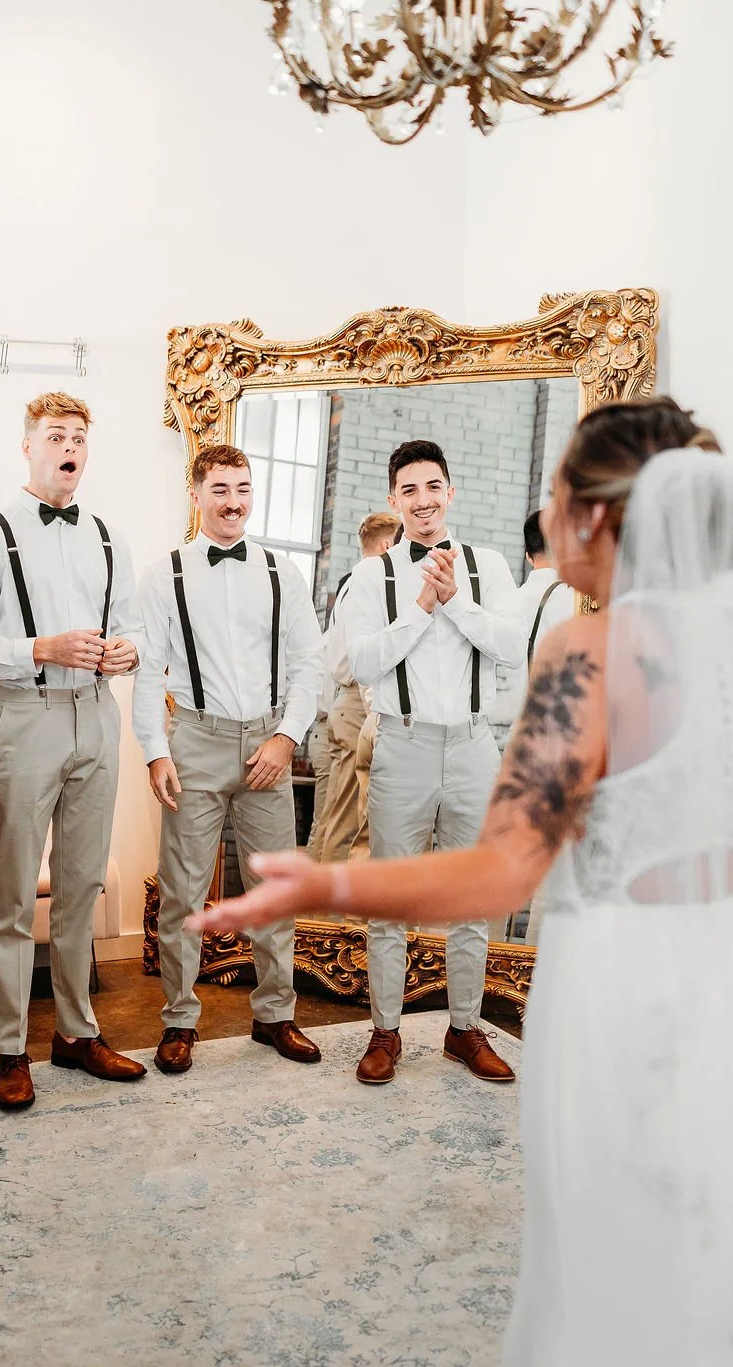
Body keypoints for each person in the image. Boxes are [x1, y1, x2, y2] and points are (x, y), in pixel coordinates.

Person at [196, 399, 733, 1365]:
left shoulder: (588, 652)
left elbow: (503, 867)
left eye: (558, 490)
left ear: (596, 517)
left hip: (630, 990)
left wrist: (328, 886)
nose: (547, 512)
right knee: (728, 1251)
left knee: (618, 1260)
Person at [0, 392, 148, 1110]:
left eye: (79, 436)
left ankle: (75, 1031)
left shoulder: (112, 538)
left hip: (97, 716)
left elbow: (135, 626)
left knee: (82, 884)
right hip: (25, 719)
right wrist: (38, 647)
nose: (70, 446)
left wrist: (127, 649)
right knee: (12, 893)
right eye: (56, 435)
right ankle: (9, 1048)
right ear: (27, 447)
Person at [134, 443, 326, 1073]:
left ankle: (275, 1016)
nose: (234, 501)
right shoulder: (165, 574)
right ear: (197, 495)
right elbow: (145, 673)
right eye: (220, 488)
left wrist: (287, 737)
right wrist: (156, 752)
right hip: (194, 740)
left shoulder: (280, 572)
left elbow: (309, 664)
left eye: (243, 488)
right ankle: (179, 1020)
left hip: (268, 741)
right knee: (184, 893)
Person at [336, 440, 518, 1085]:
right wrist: (420, 608)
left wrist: (456, 602)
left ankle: (463, 1030)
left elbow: (511, 644)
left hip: (473, 746)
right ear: (394, 500)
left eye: (433, 487)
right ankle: (385, 1032)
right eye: (409, 490)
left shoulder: (488, 565)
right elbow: (357, 662)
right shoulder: (369, 576)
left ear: (451, 492)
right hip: (403, 746)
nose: (423, 501)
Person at [501, 509, 579, 943]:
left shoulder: (506, 600)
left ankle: (491, 966)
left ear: (528, 553)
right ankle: (533, 972)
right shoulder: (576, 599)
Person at [309, 512, 400, 863]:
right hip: (357, 703)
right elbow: (366, 659)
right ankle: (328, 915)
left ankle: (316, 912)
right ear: (387, 545)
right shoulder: (368, 582)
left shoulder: (349, 584)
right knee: (348, 819)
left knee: (334, 813)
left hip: (342, 703)